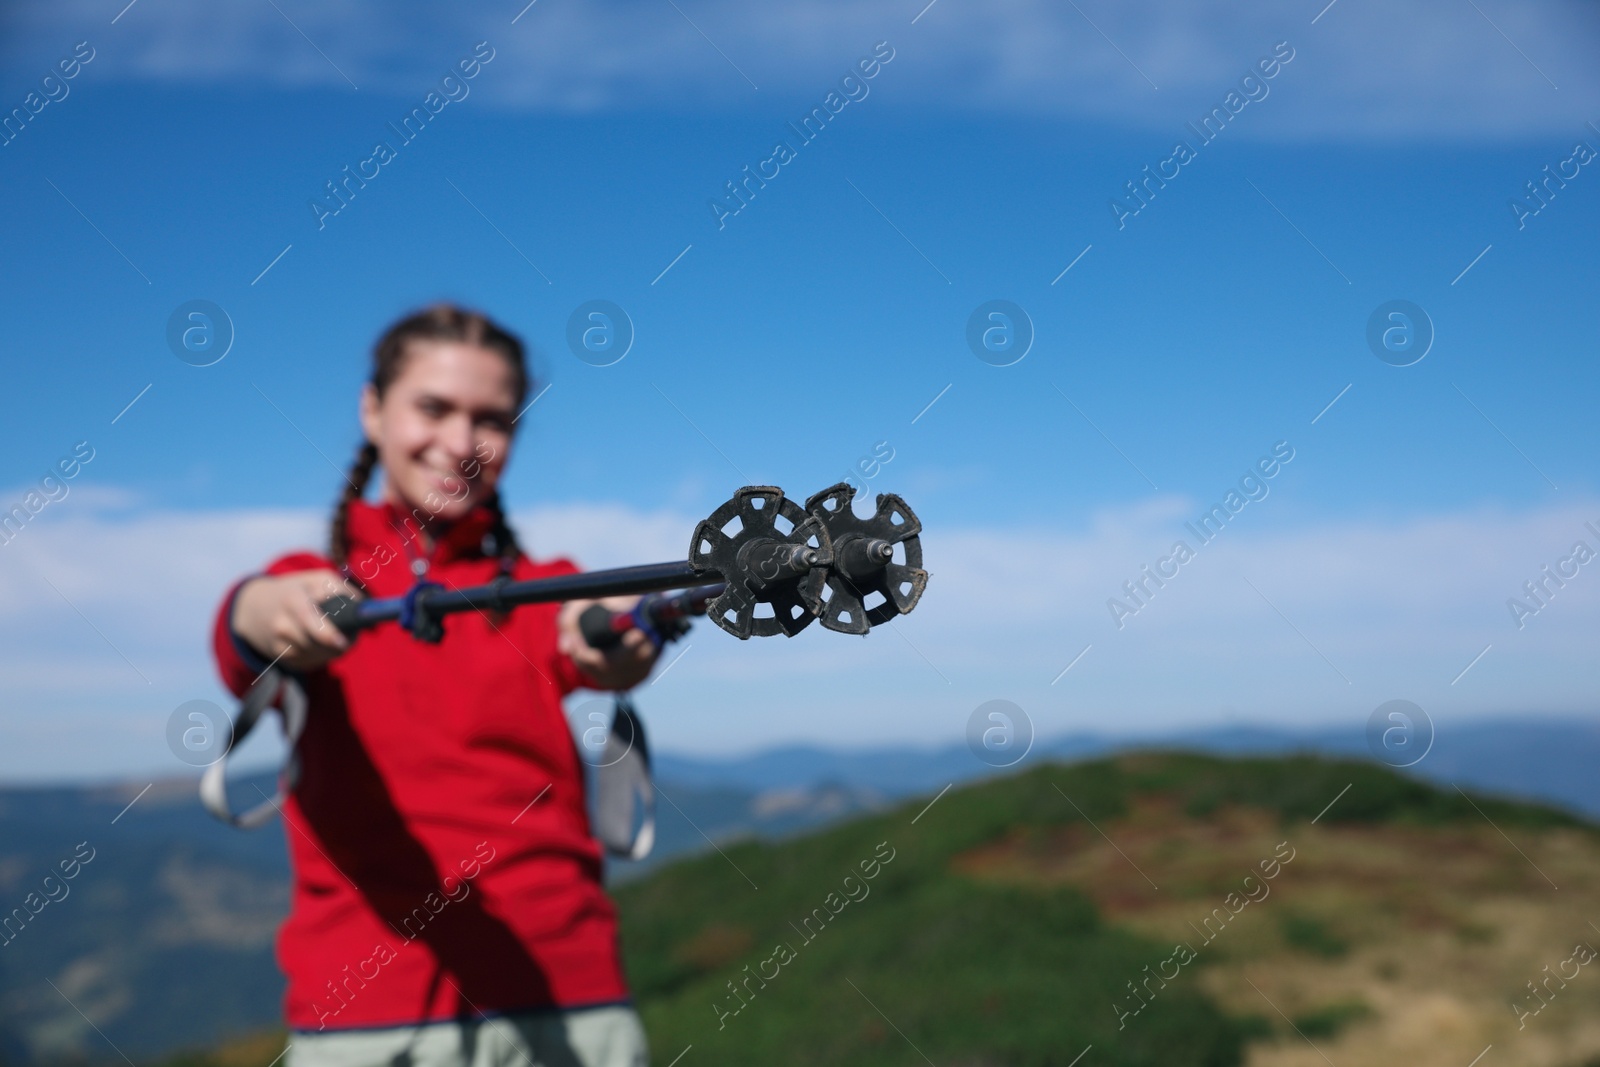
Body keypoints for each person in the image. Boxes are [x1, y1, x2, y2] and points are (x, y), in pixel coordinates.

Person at [211, 305, 660, 1067]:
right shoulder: (312, 580)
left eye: (492, 419)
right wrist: (269, 611)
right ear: (372, 408)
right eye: (434, 407)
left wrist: (620, 635)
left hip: (571, 1002)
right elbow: (246, 627)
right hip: (366, 1021)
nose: (461, 444)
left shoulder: (546, 588)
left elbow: (595, 632)